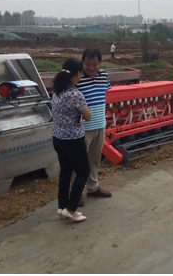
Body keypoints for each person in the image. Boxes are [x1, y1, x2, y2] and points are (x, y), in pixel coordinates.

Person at [51, 58, 92, 222]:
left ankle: (62, 207)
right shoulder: (75, 94)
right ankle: (71, 208)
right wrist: (81, 115)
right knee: (83, 171)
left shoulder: (57, 91)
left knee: (66, 171)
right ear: (78, 74)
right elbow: (87, 116)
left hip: (58, 137)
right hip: (73, 139)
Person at [75, 49, 113, 204]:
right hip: (82, 129)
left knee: (95, 159)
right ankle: (75, 192)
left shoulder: (104, 76)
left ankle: (92, 187)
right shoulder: (77, 78)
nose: (91, 68)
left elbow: (103, 97)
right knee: (78, 162)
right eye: (87, 64)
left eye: (95, 64)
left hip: (100, 125)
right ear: (82, 63)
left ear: (100, 63)